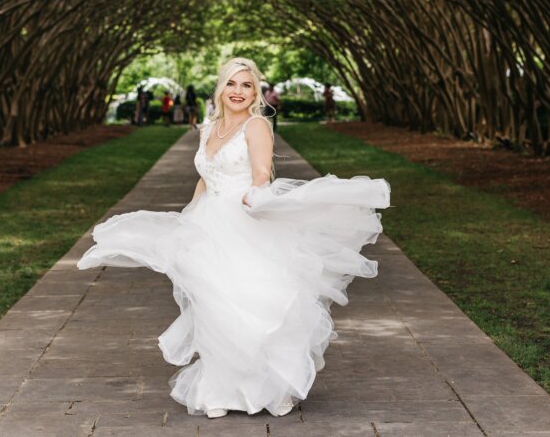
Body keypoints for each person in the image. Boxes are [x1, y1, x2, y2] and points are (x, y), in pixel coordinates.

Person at [78, 57, 389, 419]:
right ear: (221, 88)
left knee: (253, 303)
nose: (238, 92)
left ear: (255, 91)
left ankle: (270, 388)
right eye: (232, 84)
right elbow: (205, 175)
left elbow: (260, 173)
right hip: (208, 221)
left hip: (243, 221)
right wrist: (188, 214)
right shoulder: (209, 127)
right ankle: (220, 389)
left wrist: (255, 194)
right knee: (212, 305)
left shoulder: (257, 125)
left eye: (246, 85)